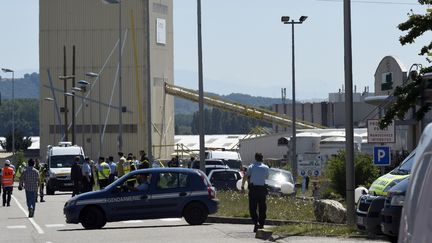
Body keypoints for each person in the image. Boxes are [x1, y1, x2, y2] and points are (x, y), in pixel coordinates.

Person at [241, 152, 269, 232]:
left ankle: (255, 222)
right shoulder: (266, 167)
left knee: (252, 208)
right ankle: (261, 224)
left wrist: (243, 187)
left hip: (253, 189)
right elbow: (267, 177)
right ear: (262, 158)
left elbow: (245, 177)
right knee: (262, 207)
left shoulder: (251, 167)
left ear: (255, 158)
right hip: (262, 189)